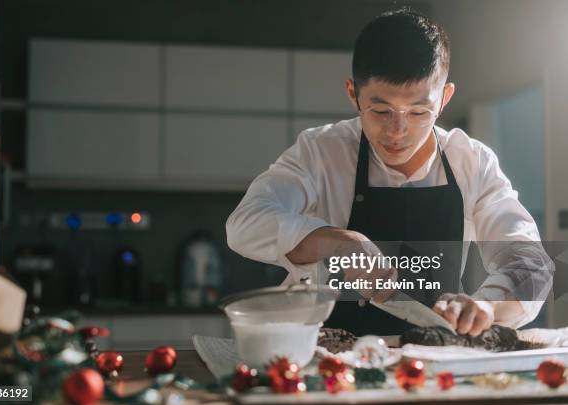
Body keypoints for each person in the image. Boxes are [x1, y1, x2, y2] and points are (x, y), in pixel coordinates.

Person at [226, 8, 552, 336]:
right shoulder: (321, 151)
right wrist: (338, 243)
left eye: (419, 111)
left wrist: (487, 305)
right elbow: (246, 223)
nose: (398, 131)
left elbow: (531, 264)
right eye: (381, 110)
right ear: (353, 93)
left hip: (434, 363)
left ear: (444, 100)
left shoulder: (472, 161)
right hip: (332, 360)